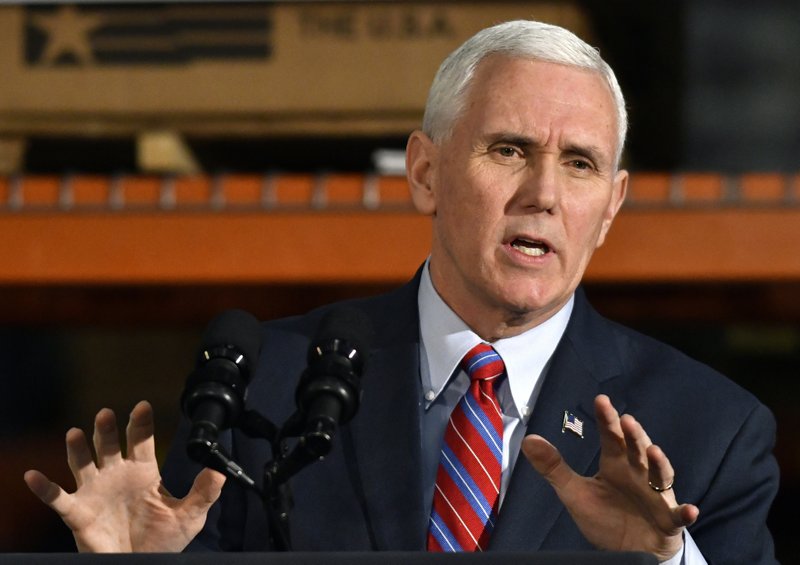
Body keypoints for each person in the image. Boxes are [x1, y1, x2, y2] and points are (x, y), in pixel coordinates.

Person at [24, 19, 778, 563]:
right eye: (509, 149)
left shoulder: (711, 430)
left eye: (579, 163)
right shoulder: (272, 382)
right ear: (424, 173)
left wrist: (666, 559)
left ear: (610, 207)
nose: (543, 193)